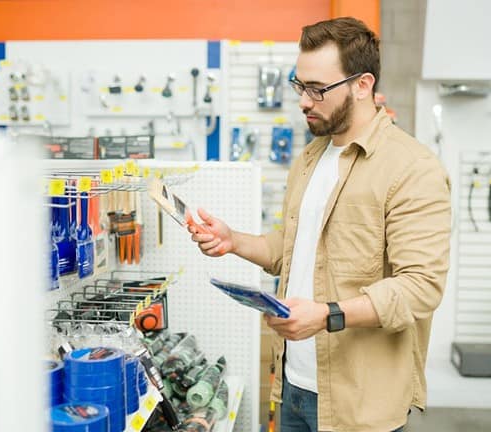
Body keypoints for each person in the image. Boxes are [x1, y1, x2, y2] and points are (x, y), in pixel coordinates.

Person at [188, 17, 451, 432]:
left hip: (358, 406)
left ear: (362, 85)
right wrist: (232, 240)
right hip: (293, 385)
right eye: (299, 86)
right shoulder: (311, 157)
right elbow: (295, 250)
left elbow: (420, 287)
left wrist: (328, 315)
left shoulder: (411, 168)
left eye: (317, 89)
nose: (304, 101)